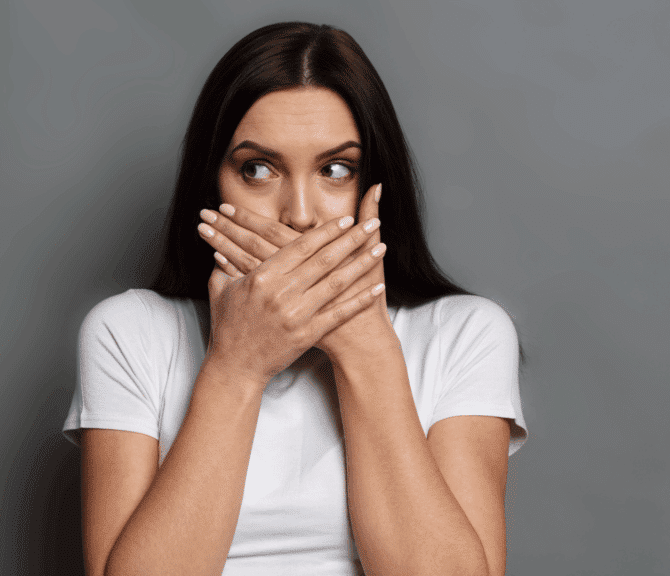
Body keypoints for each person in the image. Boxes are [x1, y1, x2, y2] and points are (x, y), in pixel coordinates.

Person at [62, 21, 527, 576]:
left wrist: (365, 348)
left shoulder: (467, 334)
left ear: (374, 185)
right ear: (211, 184)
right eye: (257, 169)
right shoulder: (129, 332)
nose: (300, 215)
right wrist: (236, 365)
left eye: (336, 170)